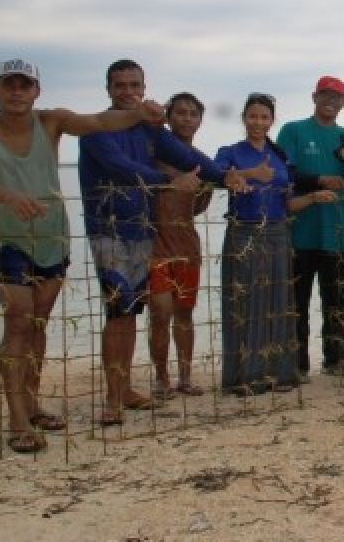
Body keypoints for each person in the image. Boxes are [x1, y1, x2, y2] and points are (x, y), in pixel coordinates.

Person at [0, 59, 164, 453]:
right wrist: (9, 196)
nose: (17, 91)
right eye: (9, 84)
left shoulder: (51, 121)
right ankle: (18, 421)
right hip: (11, 241)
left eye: (25, 84)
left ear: (37, 90)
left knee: (38, 324)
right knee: (18, 321)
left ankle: (32, 404)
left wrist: (139, 113)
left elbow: (100, 124)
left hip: (54, 239)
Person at [79, 59, 245, 427]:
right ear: (108, 89)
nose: (127, 92)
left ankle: (123, 390)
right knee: (118, 312)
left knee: (131, 314)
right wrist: (169, 182)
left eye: (134, 85)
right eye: (119, 85)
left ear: (143, 87)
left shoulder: (150, 130)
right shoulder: (94, 129)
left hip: (144, 233)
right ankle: (112, 399)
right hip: (110, 231)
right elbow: (121, 167)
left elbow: (187, 157)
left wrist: (224, 176)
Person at [215, 93, 334, 395]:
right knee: (245, 302)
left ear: (271, 121)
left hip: (279, 233)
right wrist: (249, 174)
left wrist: (313, 198)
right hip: (244, 233)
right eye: (252, 116)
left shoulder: (280, 156)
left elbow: (287, 203)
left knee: (279, 301)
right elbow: (215, 176)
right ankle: (242, 377)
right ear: (244, 118)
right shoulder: (230, 152)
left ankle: (278, 373)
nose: (258, 122)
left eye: (264, 117)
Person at [276, 75, 344, 379]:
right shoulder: (293, 130)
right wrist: (318, 182)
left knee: (336, 301)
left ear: (343, 102)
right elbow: (283, 173)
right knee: (297, 301)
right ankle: (297, 364)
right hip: (301, 231)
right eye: (325, 95)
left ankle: (334, 360)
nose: (330, 100)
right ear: (314, 97)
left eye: (336, 96)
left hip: (337, 233)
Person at [148, 93, 213, 400]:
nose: (187, 119)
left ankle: (185, 377)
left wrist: (202, 188)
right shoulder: (154, 157)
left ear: (200, 120)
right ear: (169, 117)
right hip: (156, 245)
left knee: (184, 313)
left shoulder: (201, 161)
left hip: (188, 244)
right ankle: (161, 377)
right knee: (160, 313)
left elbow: (197, 207)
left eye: (192, 114)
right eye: (181, 113)